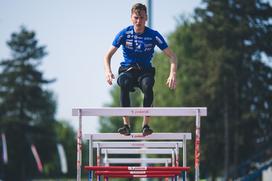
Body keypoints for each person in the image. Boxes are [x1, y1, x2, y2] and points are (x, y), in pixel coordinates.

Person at [104, 3, 177, 136]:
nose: (139, 21)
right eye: (136, 17)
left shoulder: (153, 35)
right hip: (128, 71)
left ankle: (145, 125)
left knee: (148, 86)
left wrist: (172, 74)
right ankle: (126, 125)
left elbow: (172, 56)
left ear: (146, 18)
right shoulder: (124, 33)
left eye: (142, 18)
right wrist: (108, 71)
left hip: (145, 72)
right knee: (124, 83)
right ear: (131, 18)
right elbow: (107, 56)